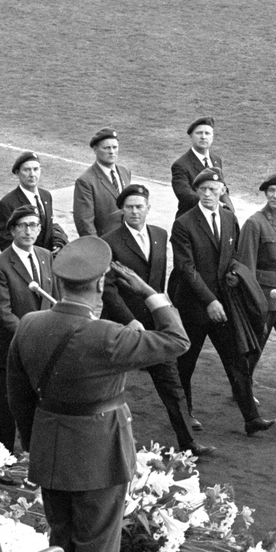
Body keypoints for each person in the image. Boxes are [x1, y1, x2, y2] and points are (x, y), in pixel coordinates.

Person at [7, 237, 189, 552]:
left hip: (51, 446)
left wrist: (39, 444)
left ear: (60, 281)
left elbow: (17, 396)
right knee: (96, 551)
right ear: (102, 283)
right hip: (99, 453)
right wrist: (148, 291)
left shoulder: (29, 324)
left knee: (61, 542)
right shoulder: (107, 336)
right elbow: (176, 339)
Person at [101, 184, 213, 457]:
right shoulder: (109, 242)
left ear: (148, 208)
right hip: (122, 328)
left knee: (172, 386)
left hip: (154, 326)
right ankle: (103, 446)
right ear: (121, 210)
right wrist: (128, 320)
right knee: (107, 386)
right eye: (129, 207)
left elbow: (159, 280)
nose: (134, 212)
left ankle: (188, 443)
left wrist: (164, 312)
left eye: (139, 206)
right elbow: (108, 289)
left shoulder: (160, 235)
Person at [169, 168, 276, 436]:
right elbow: (186, 268)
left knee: (237, 360)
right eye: (203, 189)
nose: (208, 194)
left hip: (223, 306)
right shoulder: (184, 223)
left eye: (213, 190)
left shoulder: (229, 218)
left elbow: (232, 256)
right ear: (197, 191)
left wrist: (233, 274)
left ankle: (252, 419)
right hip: (194, 306)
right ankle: (186, 415)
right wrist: (209, 301)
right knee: (186, 364)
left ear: (222, 191)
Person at [0, 204, 57, 453]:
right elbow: (2, 312)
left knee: (38, 405)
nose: (29, 230)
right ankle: (2, 458)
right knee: (7, 407)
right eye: (23, 225)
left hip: (42, 348)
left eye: (34, 225)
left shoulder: (46, 256)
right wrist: (32, 335)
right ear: (13, 230)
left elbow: (53, 296)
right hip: (12, 350)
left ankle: (34, 456)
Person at [237, 172, 276, 374]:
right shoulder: (255, 223)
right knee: (256, 344)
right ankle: (242, 389)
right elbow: (246, 265)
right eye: (271, 191)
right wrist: (252, 300)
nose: (275, 195)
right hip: (265, 295)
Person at [0, 151, 69, 252]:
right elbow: (6, 243)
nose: (32, 174)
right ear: (17, 173)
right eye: (27, 170)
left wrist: (58, 241)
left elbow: (48, 226)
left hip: (47, 261)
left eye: (36, 169)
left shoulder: (46, 196)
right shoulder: (7, 204)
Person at [73, 127, 131, 238]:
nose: (112, 152)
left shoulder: (125, 172)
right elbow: (85, 223)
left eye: (115, 147)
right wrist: (98, 249)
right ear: (95, 150)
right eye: (107, 148)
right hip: (105, 244)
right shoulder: (85, 181)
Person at [170, 116, 233, 218]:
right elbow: (185, 195)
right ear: (191, 136)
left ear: (212, 137)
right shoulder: (180, 165)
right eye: (199, 133)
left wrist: (230, 211)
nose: (203, 137)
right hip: (191, 220)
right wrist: (215, 204)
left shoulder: (216, 160)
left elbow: (222, 189)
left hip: (215, 217)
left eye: (207, 133)